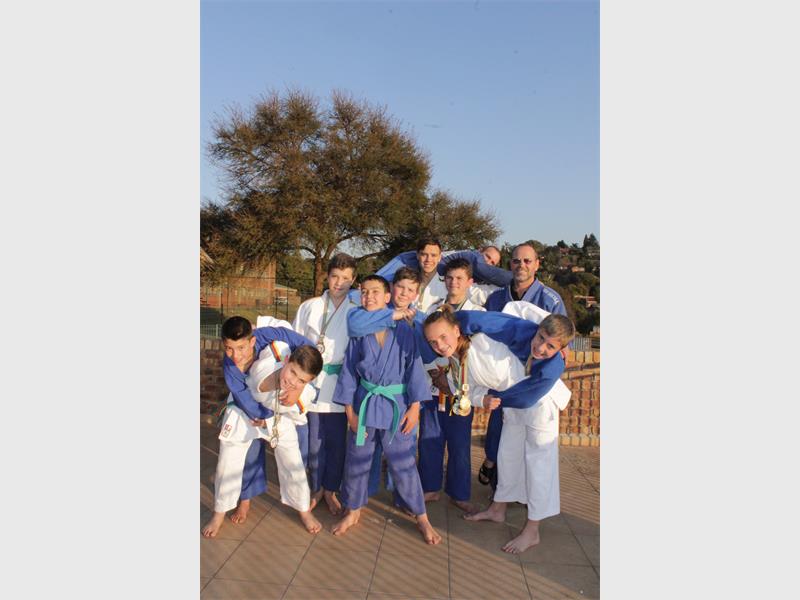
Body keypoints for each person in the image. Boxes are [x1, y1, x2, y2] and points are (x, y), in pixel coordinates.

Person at [330, 275, 442, 545]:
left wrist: (415, 408)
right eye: (364, 292)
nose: (369, 297)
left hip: (397, 406)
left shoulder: (406, 328)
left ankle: (422, 516)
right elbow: (348, 372)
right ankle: (353, 510)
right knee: (357, 459)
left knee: (403, 463)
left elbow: (414, 369)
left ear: (387, 296)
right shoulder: (359, 330)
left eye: (375, 292)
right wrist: (349, 412)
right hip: (365, 404)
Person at [459, 307, 575, 554]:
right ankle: (497, 509)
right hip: (514, 401)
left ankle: (533, 530)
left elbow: (526, 397)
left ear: (560, 350)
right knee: (507, 456)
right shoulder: (524, 330)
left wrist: (492, 397)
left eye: (550, 346)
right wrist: (455, 323)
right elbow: (481, 319)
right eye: (541, 337)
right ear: (538, 329)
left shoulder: (553, 367)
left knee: (538, 466)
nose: (540, 347)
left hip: (540, 407)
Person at [201, 316, 321, 537]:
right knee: (228, 460)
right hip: (244, 409)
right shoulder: (229, 365)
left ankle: (303, 509)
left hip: (277, 409)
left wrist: (298, 389)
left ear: (253, 340)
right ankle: (220, 512)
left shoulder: (268, 335)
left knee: (292, 459)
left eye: (241, 347)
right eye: (229, 348)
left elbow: (309, 350)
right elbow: (243, 398)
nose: (236, 355)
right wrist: (263, 416)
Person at [479, 242, 567, 488]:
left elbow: (563, 346)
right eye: (517, 261)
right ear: (510, 264)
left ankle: (528, 493)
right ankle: (497, 481)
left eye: (527, 261)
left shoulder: (550, 299)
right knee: (499, 431)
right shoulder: (496, 298)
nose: (522, 265)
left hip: (532, 381)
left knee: (530, 441)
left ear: (537, 264)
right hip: (502, 376)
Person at [291, 253, 361, 516]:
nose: (339, 283)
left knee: (336, 443)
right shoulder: (309, 307)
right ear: (327, 277)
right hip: (312, 385)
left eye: (345, 278)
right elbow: (295, 342)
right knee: (314, 443)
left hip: (341, 385)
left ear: (353, 280)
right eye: (335, 277)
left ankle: (331, 489)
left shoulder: (356, 309)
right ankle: (316, 487)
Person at [417, 259, 486, 511]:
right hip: (434, 388)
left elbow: (480, 351)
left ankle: (459, 493)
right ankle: (429, 488)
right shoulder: (432, 308)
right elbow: (424, 347)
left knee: (459, 445)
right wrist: (436, 375)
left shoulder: (478, 313)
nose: (453, 282)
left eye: (459, 278)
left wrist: (453, 382)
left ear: (470, 282)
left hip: (462, 392)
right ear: (443, 280)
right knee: (429, 441)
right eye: (449, 278)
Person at [377, 244, 509, 307]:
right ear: (479, 250)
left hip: (427, 275)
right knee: (377, 286)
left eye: (493, 263)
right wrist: (519, 279)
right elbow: (489, 271)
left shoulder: (470, 280)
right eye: (487, 256)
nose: (488, 263)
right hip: (413, 262)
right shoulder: (472, 257)